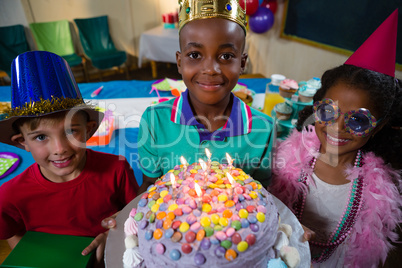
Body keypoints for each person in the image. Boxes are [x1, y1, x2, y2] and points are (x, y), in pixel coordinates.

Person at [269, 10, 402, 267]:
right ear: (317, 106)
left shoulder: (385, 190)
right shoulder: (285, 158)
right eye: (328, 111)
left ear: (378, 126)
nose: (337, 127)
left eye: (358, 119)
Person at [0, 51, 139, 267]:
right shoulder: (9, 194)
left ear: (88, 130)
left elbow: (136, 214)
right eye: (40, 137)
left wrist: (114, 237)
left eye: (70, 131)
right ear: (22, 142)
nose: (60, 149)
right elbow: (12, 234)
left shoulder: (117, 169)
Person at [137, 0, 274, 194]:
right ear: (179, 61)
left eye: (226, 56)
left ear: (242, 63)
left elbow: (261, 194)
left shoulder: (263, 129)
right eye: (195, 55)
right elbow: (150, 186)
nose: (210, 69)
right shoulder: (154, 120)